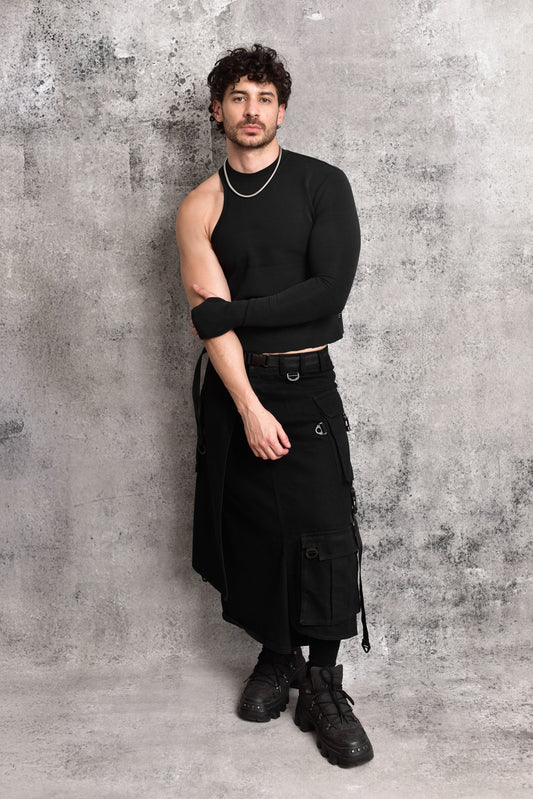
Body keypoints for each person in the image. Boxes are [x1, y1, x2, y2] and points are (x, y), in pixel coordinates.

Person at [176, 43, 373, 768]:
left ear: (281, 110)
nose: (251, 110)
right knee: (255, 531)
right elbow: (210, 325)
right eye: (238, 97)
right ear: (217, 110)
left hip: (307, 382)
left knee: (324, 531)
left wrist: (236, 310)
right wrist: (249, 407)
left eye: (264, 98)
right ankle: (277, 653)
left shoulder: (323, 184)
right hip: (239, 390)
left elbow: (327, 294)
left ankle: (322, 680)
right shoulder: (200, 205)